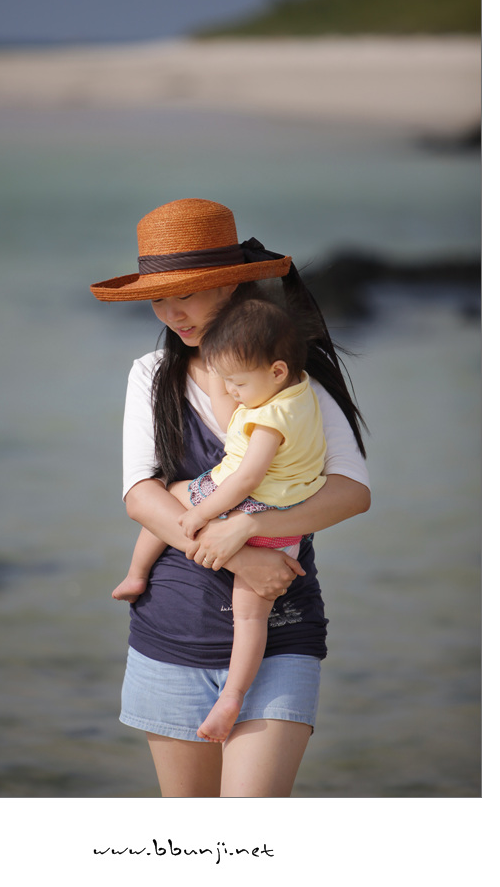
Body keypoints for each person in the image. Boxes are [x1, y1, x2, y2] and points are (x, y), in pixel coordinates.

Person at [90, 197, 370, 798]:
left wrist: (252, 526)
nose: (171, 313)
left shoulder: (293, 378)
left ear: (230, 284)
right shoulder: (151, 374)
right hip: (171, 631)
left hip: (282, 629)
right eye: (158, 299)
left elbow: (352, 493)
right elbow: (140, 495)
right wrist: (241, 557)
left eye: (186, 294)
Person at [113, 295, 328, 743]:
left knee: (172, 496)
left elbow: (246, 476)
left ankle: (136, 574)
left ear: (276, 371)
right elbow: (233, 418)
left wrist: (202, 516)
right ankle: (233, 698)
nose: (232, 391)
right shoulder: (298, 391)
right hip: (284, 528)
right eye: (158, 299)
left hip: (246, 507)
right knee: (250, 620)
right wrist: (222, 376)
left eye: (238, 383)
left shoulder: (269, 418)